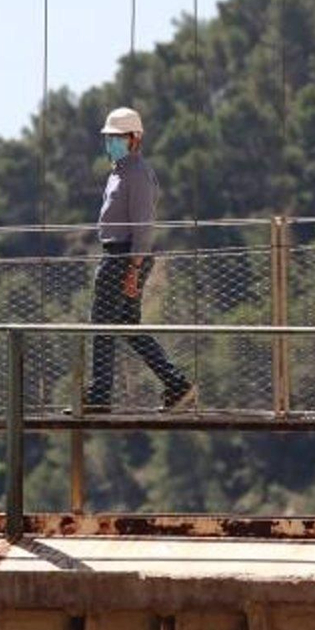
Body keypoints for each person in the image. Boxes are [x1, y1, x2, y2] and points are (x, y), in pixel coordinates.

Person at [85, 107, 197, 411]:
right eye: (108, 138)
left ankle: (99, 397)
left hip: (124, 256)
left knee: (102, 325)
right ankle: (177, 384)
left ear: (134, 139)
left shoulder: (137, 174)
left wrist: (133, 269)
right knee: (126, 324)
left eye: (117, 137)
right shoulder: (120, 172)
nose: (110, 143)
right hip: (121, 254)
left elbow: (143, 227)